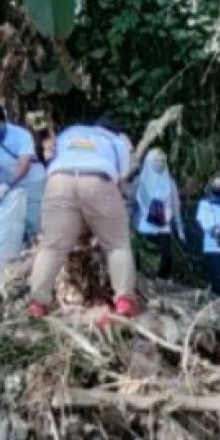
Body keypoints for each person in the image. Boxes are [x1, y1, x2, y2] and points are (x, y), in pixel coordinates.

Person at [27, 119, 140, 319]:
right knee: (117, 245)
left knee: (52, 247)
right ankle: (124, 302)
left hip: (58, 180)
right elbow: (121, 182)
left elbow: (49, 156)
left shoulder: (69, 132)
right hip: (98, 179)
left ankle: (37, 303)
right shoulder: (117, 140)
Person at [0, 100, 44, 243]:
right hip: (6, 181)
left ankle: (36, 250)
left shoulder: (22, 135)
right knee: (10, 220)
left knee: (32, 220)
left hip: (32, 180)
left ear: (2, 121)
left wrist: (7, 185)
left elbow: (24, 165)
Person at [133, 147, 186, 278]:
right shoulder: (139, 181)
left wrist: (180, 230)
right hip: (143, 227)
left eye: (163, 160)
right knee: (142, 258)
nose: (160, 163)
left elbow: (175, 205)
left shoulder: (169, 182)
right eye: (157, 160)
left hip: (164, 227)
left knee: (166, 258)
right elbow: (131, 203)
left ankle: (162, 285)